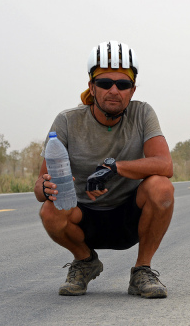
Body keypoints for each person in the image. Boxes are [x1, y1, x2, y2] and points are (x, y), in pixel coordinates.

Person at [34, 40, 174, 298]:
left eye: (122, 85)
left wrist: (115, 166)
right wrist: (44, 187)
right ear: (91, 87)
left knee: (161, 186)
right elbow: (41, 189)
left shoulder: (142, 114)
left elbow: (165, 164)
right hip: (83, 218)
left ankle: (142, 270)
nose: (114, 90)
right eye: (104, 83)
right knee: (49, 210)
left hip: (128, 217)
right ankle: (85, 260)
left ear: (132, 90)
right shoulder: (67, 121)